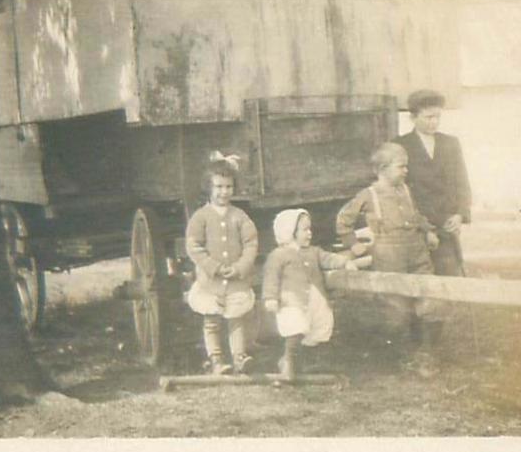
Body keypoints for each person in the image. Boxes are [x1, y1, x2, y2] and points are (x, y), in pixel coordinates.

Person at [336, 142, 443, 377]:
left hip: (416, 251)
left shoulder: (405, 190)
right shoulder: (369, 195)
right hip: (388, 254)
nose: (406, 171)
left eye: (407, 167)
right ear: (383, 169)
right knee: (396, 308)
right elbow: (343, 220)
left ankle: (425, 354)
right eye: (401, 167)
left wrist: (428, 230)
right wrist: (352, 244)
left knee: (431, 298)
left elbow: (415, 215)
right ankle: (402, 355)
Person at [263, 209, 359, 380]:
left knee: (319, 327)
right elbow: (271, 277)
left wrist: (345, 262)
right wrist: (270, 297)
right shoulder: (278, 255)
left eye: (310, 229)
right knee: (296, 328)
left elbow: (329, 258)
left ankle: (310, 362)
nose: (309, 233)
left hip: (315, 299)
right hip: (291, 301)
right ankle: (288, 361)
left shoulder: (314, 251)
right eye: (304, 230)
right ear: (289, 232)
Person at [185, 152, 259, 375]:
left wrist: (239, 267)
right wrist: (214, 268)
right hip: (211, 281)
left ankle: (239, 357)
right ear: (209, 188)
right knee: (212, 320)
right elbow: (194, 246)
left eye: (228, 186)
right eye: (218, 187)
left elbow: (251, 243)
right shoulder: (201, 217)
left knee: (236, 319)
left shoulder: (240, 216)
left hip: (236, 279)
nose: (223, 192)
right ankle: (216, 359)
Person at [394, 89, 471, 277]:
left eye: (437, 117)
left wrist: (460, 214)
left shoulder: (450, 143)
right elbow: (398, 190)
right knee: (422, 279)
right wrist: (422, 226)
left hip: (446, 224)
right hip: (417, 226)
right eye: (428, 117)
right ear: (413, 117)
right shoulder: (400, 145)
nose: (434, 122)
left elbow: (461, 181)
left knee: (451, 276)